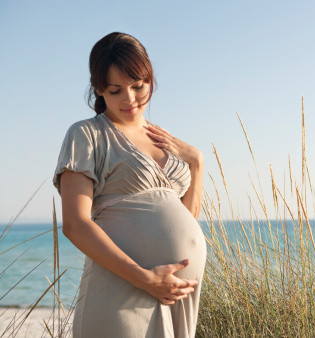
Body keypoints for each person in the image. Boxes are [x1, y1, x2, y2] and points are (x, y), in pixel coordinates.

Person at [52, 32, 207, 338]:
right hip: (122, 293)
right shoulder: (87, 135)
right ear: (98, 89)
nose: (130, 99)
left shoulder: (164, 139)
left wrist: (197, 162)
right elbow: (75, 224)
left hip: (175, 296)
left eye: (139, 86)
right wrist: (146, 279)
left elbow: (185, 220)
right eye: (115, 90)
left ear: (151, 79)